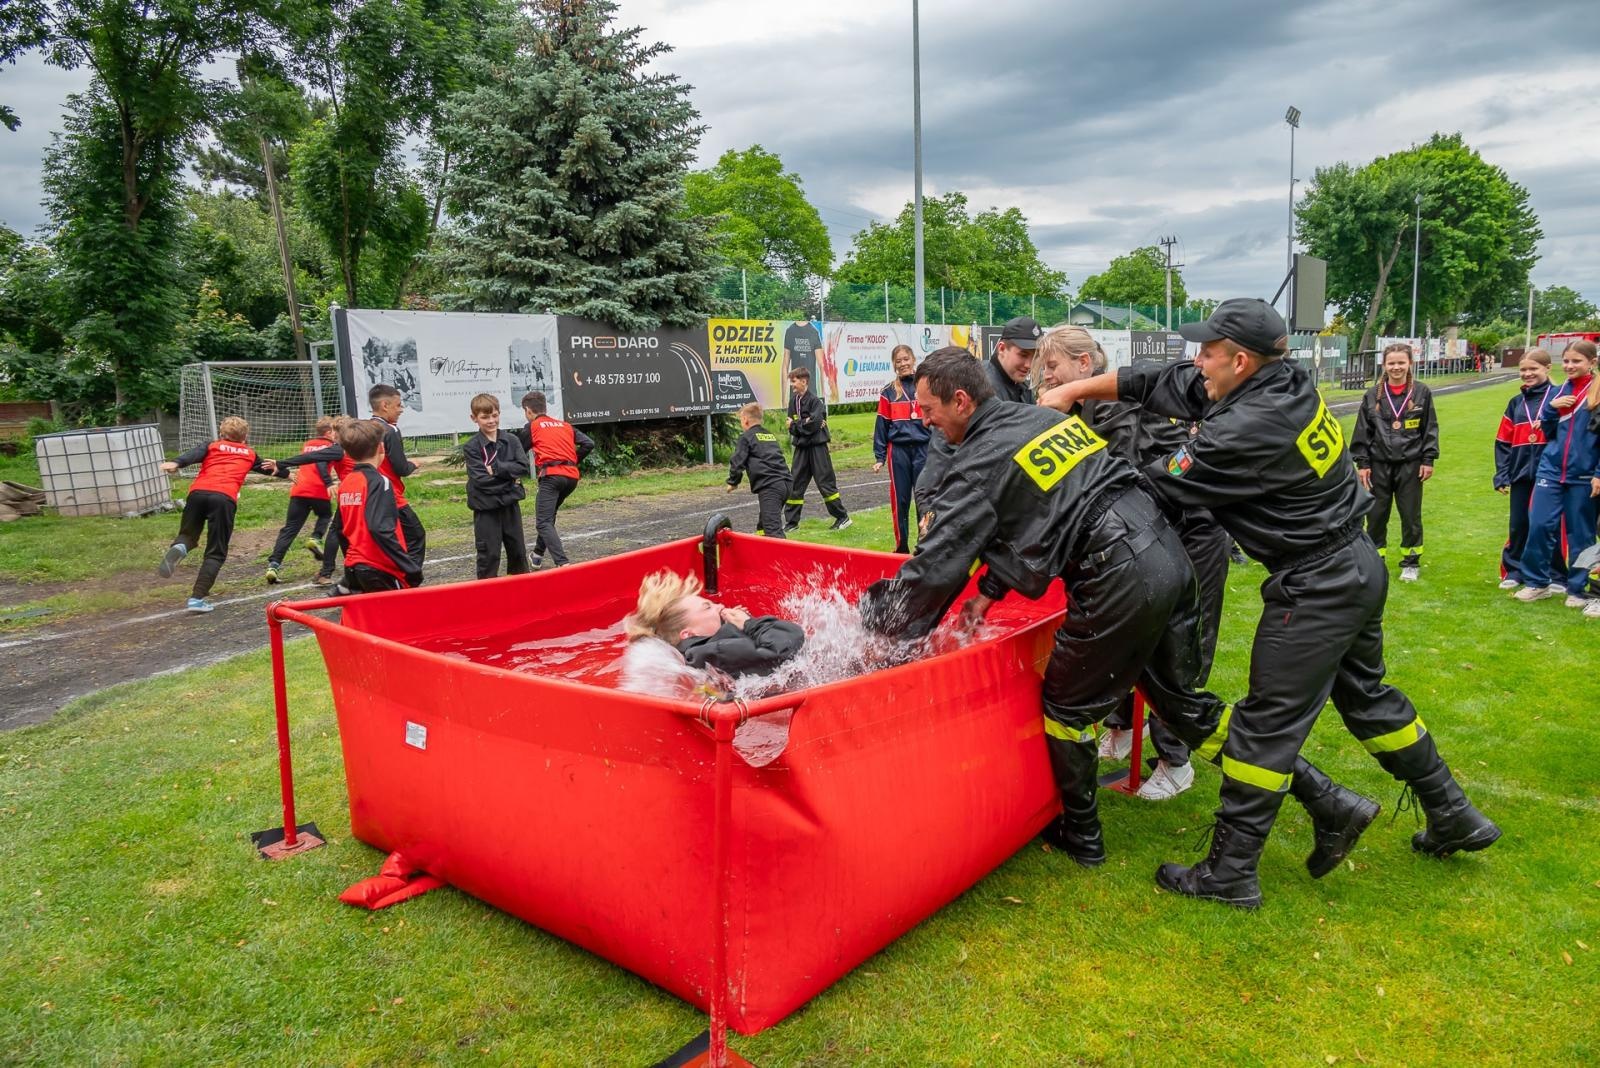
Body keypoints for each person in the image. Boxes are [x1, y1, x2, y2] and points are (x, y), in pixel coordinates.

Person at [1041, 298, 1498, 909]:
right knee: (1368, 699)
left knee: (1263, 730)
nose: (1197, 361)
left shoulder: (1244, 429)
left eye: (1207, 352)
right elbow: (1167, 382)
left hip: (1316, 584)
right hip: (1354, 566)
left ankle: (1230, 872)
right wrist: (1079, 390)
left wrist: (1067, 454)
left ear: (1239, 359)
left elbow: (1158, 480)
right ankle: (1454, 813)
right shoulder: (1277, 380)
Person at [860, 348, 1372, 888]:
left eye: (928, 409)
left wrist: (875, 629)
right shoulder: (1038, 420)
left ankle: (1081, 836)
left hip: (1118, 575)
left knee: (1064, 706)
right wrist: (991, 590)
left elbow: (936, 565)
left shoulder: (980, 460)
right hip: (1168, 561)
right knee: (1183, 706)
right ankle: (1329, 799)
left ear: (960, 400)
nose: (924, 420)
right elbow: (1052, 511)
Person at [1035, 325, 1232, 801]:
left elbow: (1117, 482)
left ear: (1084, 366)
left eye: (1054, 366)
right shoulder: (1085, 405)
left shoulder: (1112, 409)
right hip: (1150, 537)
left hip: (1191, 533)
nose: (1047, 376)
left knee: (1179, 652)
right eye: (1044, 368)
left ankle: (1175, 759)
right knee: (1128, 636)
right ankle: (1122, 728)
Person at [913, 316, 1041, 516]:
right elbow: (941, 454)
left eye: (1034, 356)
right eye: (1023, 354)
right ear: (1001, 349)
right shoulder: (980, 388)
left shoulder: (1022, 389)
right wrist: (930, 518)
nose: (1028, 364)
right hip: (968, 510)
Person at [158, 416, 278, 612]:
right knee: (216, 551)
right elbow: (266, 468)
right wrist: (286, 473)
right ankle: (197, 599)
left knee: (188, 535)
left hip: (197, 494)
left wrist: (176, 463)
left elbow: (193, 454)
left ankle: (181, 547)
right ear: (245, 436)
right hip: (223, 499)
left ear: (221, 434)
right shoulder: (249, 453)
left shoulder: (212, 446)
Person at [1514, 340, 1599, 608]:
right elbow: (1549, 433)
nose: (1570, 366)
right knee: (1539, 525)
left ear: (1592, 363)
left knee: (1581, 534)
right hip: (1550, 471)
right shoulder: (1560, 391)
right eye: (1566, 361)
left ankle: (1577, 588)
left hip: (1583, 475)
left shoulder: (1596, 393)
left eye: (1576, 361)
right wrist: (1552, 408)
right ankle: (1538, 583)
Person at [1351, 343, 1439, 583]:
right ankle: (1376, 561)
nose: (1396, 367)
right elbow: (1363, 432)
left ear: (1410, 363)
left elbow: (1429, 428)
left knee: (1410, 515)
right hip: (1378, 465)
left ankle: (1410, 562)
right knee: (1376, 515)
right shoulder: (1372, 395)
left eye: (1401, 362)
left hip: (1410, 465)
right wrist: (1363, 463)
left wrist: (1428, 459)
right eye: (1391, 363)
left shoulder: (1422, 392)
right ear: (1384, 365)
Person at [623, 570, 804, 679]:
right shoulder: (719, 650)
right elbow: (787, 644)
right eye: (707, 607)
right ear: (688, 633)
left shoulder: (696, 653)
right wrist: (750, 624)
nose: (720, 606)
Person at [1494, 351, 1562, 591]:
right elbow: (1503, 441)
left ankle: (1554, 574)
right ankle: (1514, 571)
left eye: (1533, 369)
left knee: (1546, 524)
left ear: (1547, 368)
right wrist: (1502, 473)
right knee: (1519, 524)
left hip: (1551, 472)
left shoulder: (1560, 396)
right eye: (1523, 370)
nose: (1527, 374)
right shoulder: (1515, 403)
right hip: (1521, 471)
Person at [331, 418, 423, 594]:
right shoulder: (380, 482)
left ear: (347, 454)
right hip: (381, 567)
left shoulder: (346, 483)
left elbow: (339, 528)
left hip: (356, 566)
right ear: (381, 448)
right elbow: (379, 528)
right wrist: (409, 567)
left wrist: (351, 565)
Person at [514, 390, 594, 568]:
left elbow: (518, 452)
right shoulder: (564, 425)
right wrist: (572, 461)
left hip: (552, 477)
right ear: (544, 407)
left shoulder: (533, 426)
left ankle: (562, 563)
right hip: (571, 478)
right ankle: (537, 555)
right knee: (548, 517)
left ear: (528, 410)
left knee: (543, 522)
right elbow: (589, 443)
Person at [463, 393, 531, 579]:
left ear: (499, 414)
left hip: (510, 507)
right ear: (474, 418)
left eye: (494, 415)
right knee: (489, 556)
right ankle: (486, 599)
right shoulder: (472, 446)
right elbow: (481, 481)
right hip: (486, 509)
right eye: (485, 417)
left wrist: (496, 468)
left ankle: (521, 592)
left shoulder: (512, 440)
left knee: (517, 552)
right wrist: (511, 481)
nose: (491, 421)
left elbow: (523, 467)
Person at [872, 345, 930, 553]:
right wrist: (879, 456)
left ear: (913, 359)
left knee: (925, 497)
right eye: (898, 361)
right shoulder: (888, 392)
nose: (903, 363)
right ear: (894, 365)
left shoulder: (926, 386)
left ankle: (925, 545)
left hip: (924, 449)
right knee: (901, 500)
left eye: (906, 359)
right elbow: (881, 425)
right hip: (898, 452)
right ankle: (901, 547)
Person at [265, 416, 337, 584]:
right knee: (326, 516)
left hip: (299, 489)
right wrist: (329, 482)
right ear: (328, 433)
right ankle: (316, 538)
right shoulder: (330, 446)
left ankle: (273, 565)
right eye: (335, 431)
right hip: (318, 490)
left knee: (290, 529)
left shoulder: (307, 444)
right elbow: (319, 462)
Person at [783, 369, 851, 531]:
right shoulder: (793, 402)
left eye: (794, 381)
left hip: (817, 448)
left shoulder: (815, 402)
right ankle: (792, 523)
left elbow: (814, 424)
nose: (792, 385)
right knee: (795, 484)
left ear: (804, 381)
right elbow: (791, 426)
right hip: (801, 448)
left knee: (825, 483)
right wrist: (802, 424)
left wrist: (797, 424)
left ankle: (842, 518)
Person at [725, 402, 790, 538]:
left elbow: (737, 461)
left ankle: (785, 559)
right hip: (786, 483)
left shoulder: (746, 438)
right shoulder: (769, 435)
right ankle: (761, 551)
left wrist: (733, 482)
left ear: (745, 420)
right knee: (763, 525)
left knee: (773, 530)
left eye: (740, 420)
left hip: (770, 486)